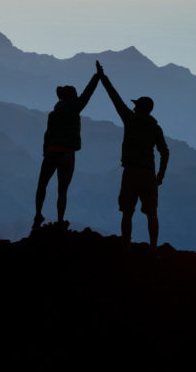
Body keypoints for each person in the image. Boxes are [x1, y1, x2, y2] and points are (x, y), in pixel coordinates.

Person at [96, 60, 169, 251]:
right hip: (149, 175)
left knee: (127, 212)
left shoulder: (130, 119)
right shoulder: (155, 128)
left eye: (136, 105)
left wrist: (103, 77)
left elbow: (115, 98)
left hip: (131, 173)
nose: (134, 107)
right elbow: (165, 152)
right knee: (152, 214)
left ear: (140, 108)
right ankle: (153, 248)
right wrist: (160, 175)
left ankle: (126, 246)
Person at [33, 69, 100, 229]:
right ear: (71, 96)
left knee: (42, 185)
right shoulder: (74, 109)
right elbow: (87, 94)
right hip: (67, 155)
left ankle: (38, 215)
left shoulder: (53, 114)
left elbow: (47, 135)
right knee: (62, 190)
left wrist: (46, 151)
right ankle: (60, 220)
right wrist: (97, 77)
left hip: (50, 153)